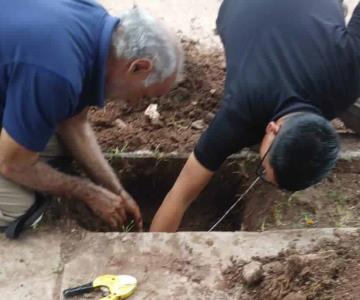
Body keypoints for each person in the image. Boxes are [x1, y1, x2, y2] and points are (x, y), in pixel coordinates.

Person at [150, 0, 360, 232]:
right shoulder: (239, 113)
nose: (261, 174)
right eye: (262, 169)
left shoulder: (348, 74)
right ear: (271, 129)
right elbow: (181, 194)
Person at [0, 0, 183, 237]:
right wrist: (88, 192)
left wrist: (116, 192)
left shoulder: (95, 24)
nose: (141, 103)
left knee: (56, 147)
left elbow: (74, 123)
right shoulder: (58, 75)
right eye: (146, 94)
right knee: (21, 209)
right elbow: (11, 163)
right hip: (30, 94)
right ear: (138, 67)